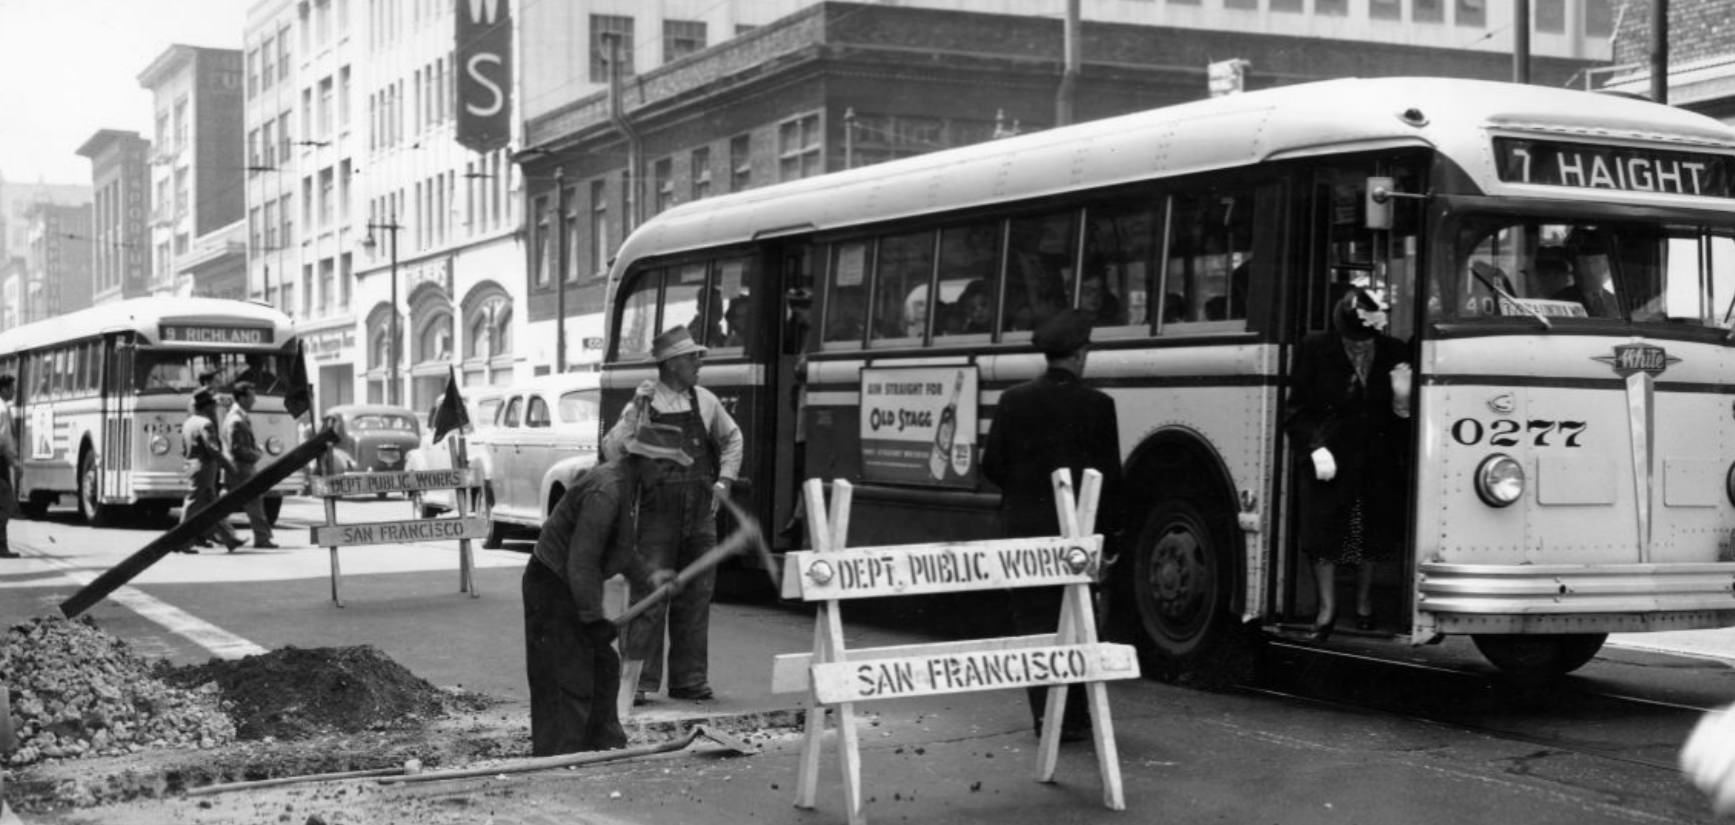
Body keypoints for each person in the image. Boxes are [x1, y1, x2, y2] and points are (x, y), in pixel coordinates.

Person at [981, 309, 1124, 743]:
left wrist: (1025, 494)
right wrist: (1111, 538)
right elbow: (1110, 478)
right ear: (1080, 355)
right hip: (1077, 535)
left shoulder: (1013, 400)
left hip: (1024, 528)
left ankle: (1046, 717)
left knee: (1034, 624)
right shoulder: (1100, 406)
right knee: (1080, 620)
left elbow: (993, 465)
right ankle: (1077, 718)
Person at [601, 326, 744, 704]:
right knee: (649, 596)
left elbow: (733, 439)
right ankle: (639, 682)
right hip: (655, 515)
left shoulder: (705, 400)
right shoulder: (645, 404)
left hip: (699, 515)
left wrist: (724, 482)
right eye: (692, 358)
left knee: (696, 597)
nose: (699, 364)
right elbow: (612, 450)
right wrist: (634, 411)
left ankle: (690, 680)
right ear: (672, 364)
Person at [523, 422, 684, 756]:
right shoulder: (608, 489)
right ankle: (559, 754)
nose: (668, 476)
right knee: (567, 674)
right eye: (667, 467)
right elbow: (582, 561)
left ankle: (602, 744)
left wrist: (648, 581)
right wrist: (593, 618)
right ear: (647, 461)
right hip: (552, 583)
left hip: (571, 582)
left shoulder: (630, 487)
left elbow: (622, 549)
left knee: (603, 667)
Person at [1283, 285, 1411, 642]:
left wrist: (1403, 403)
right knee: (1322, 528)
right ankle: (1327, 609)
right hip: (1331, 453)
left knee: (1369, 529)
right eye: (1354, 340)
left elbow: (1404, 417)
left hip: (1377, 453)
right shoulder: (1314, 348)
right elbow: (1297, 409)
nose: (1359, 347)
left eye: (1365, 341)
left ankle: (1364, 602)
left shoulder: (1394, 352)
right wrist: (1314, 447)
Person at [180, 389, 245, 554]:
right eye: (212, 406)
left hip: (191, 465)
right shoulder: (205, 424)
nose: (214, 409)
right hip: (204, 468)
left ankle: (229, 539)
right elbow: (213, 449)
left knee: (212, 505)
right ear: (207, 406)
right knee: (193, 504)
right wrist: (229, 466)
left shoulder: (188, 422)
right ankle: (181, 540)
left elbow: (183, 449)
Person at [222, 381, 278, 549]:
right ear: (241, 398)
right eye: (252, 397)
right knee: (253, 503)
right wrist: (257, 454)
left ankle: (226, 535)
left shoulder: (238, 417)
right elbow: (237, 449)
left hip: (237, 469)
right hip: (241, 469)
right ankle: (261, 538)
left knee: (225, 505)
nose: (254, 401)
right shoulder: (236, 420)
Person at [1552, 232, 1619, 318]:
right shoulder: (1560, 302)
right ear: (1574, 268)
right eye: (1583, 263)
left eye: (1596, 262)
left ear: (1606, 266)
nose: (1590, 270)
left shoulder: (1616, 302)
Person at [0, 375, 19, 558]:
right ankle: (1, 546)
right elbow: (4, 440)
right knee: (6, 504)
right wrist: (14, 462)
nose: (14, 391)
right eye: (12, 388)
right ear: (4, 389)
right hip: (0, 462)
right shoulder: (3, 410)